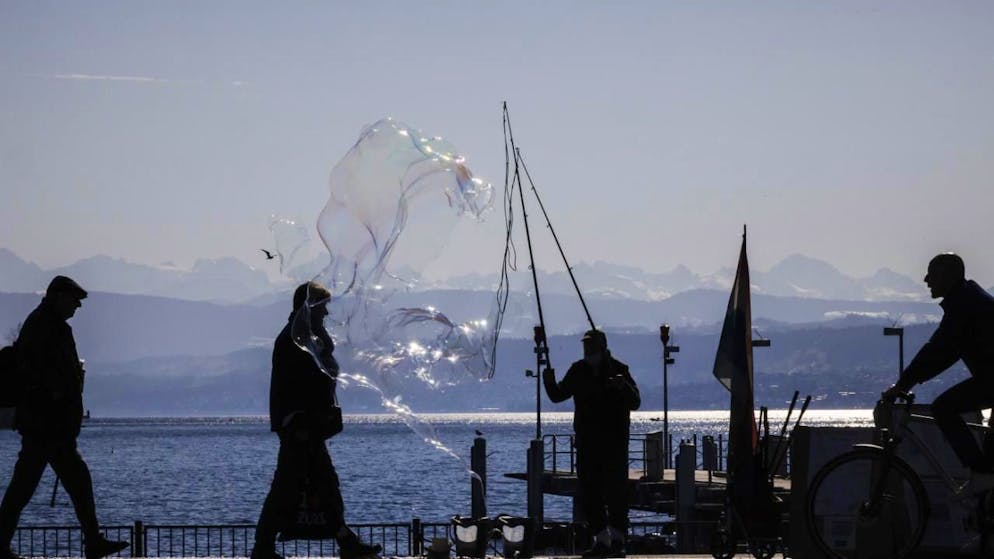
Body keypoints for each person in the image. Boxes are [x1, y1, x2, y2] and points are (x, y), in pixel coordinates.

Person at [0, 276, 128, 559]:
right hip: (48, 425)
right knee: (66, 481)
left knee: (26, 487)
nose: (76, 308)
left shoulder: (45, 325)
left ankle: (92, 540)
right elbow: (40, 373)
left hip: (47, 425)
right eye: (74, 301)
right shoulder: (45, 327)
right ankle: (93, 541)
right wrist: (59, 392)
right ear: (58, 297)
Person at [251, 282, 381, 559]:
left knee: (321, 483)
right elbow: (302, 384)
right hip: (300, 428)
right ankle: (263, 547)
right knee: (289, 487)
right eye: (322, 306)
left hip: (304, 427)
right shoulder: (294, 340)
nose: (326, 312)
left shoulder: (301, 336)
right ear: (309, 307)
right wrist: (297, 422)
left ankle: (344, 540)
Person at [882, 253, 994, 491]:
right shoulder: (967, 299)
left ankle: (982, 476)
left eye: (931, 273)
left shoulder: (964, 305)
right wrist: (907, 381)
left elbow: (939, 350)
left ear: (948, 276)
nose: (925, 279)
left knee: (943, 408)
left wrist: (903, 384)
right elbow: (943, 352)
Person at [543, 329, 640, 558]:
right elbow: (558, 395)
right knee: (590, 494)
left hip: (614, 445)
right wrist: (548, 377)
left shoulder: (619, 370)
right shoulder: (578, 371)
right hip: (587, 444)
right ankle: (601, 540)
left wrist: (622, 387)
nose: (588, 350)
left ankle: (618, 541)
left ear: (602, 347)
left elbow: (635, 401)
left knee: (616, 494)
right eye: (586, 346)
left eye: (592, 346)